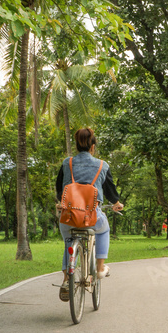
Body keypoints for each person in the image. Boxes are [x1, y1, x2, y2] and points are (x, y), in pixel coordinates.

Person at [55, 128, 124, 301]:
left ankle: (65, 280)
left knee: (69, 242)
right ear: (92, 147)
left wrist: (60, 202)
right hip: (92, 217)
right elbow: (110, 191)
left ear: (77, 145)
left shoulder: (67, 163)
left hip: (69, 217)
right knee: (104, 229)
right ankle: (100, 268)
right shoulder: (102, 165)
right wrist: (117, 203)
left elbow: (59, 189)